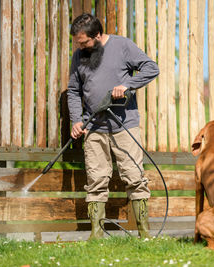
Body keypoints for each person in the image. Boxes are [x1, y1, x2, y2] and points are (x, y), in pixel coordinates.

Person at [67, 13, 159, 240]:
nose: (80, 47)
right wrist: (77, 119)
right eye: (77, 42)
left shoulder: (123, 46)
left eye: (84, 42)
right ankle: (96, 236)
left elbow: (151, 68)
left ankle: (144, 235)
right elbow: (73, 91)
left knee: (135, 178)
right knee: (96, 181)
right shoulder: (79, 55)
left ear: (97, 35)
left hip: (124, 126)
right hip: (93, 128)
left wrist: (127, 85)